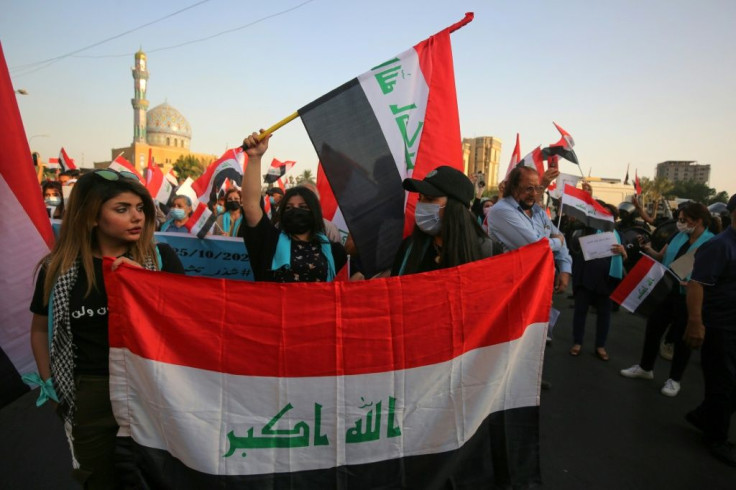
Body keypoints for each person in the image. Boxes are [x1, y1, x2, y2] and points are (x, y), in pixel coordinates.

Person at [28, 169, 184, 489]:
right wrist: (49, 386)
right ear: (91, 217)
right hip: (91, 394)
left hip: (151, 391)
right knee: (98, 479)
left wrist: (146, 283)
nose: (136, 217)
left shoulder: (161, 258)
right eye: (122, 209)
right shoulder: (57, 270)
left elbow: (185, 322)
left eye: (140, 208)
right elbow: (40, 330)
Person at [620, 202, 715, 397]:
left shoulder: (711, 243)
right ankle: (645, 368)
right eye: (679, 219)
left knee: (682, 339)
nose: (679, 223)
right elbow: (661, 256)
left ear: (697, 221)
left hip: (688, 297)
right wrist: (647, 249)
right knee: (653, 329)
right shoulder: (677, 235)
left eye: (684, 220)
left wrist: (694, 285)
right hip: (665, 289)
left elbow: (713, 274)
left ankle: (675, 379)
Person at [241, 131, 346, 282]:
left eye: (303, 207)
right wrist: (254, 158)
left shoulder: (335, 251)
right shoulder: (269, 242)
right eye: (289, 208)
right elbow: (251, 205)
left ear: (315, 212)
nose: (296, 211)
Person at [683, 194, 736, 467]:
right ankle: (716, 438)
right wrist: (695, 321)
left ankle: (705, 415)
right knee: (723, 384)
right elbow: (696, 284)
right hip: (719, 327)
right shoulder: (719, 246)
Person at [391, 165, 495, 276]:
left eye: (430, 199)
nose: (421, 205)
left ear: (455, 208)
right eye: (419, 198)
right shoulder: (409, 248)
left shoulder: (487, 251)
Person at [488, 166, 572, 292]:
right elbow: (535, 245)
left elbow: (558, 235)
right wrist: (558, 242)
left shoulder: (538, 211)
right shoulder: (501, 211)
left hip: (540, 285)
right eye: (528, 189)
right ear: (514, 188)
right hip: (515, 288)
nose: (534, 194)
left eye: (536, 188)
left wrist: (564, 269)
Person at [569, 202, 627, 360]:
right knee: (580, 311)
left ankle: (600, 346)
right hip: (585, 278)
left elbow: (624, 257)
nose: (605, 218)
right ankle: (577, 342)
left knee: (604, 315)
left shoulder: (619, 234)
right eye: (601, 214)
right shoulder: (589, 228)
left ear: (614, 219)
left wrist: (623, 252)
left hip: (606, 281)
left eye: (609, 215)